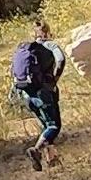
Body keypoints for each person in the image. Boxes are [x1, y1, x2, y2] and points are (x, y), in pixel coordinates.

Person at [11, 20, 65, 170]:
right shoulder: (50, 45)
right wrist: (54, 79)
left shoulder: (24, 49)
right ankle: (35, 150)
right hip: (44, 92)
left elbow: (13, 71)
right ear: (48, 32)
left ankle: (51, 160)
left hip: (27, 94)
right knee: (54, 125)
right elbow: (60, 59)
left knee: (46, 126)